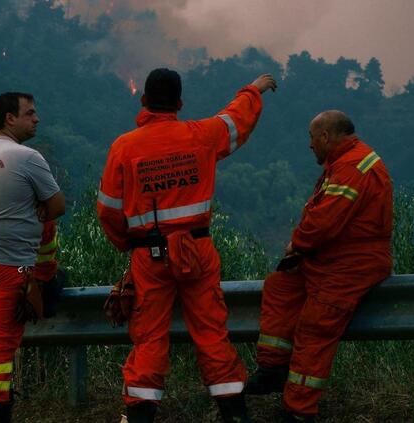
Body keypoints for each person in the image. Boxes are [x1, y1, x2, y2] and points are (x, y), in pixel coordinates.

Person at [97, 68, 277, 423]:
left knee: (148, 338)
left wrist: (128, 245)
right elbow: (236, 119)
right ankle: (234, 412)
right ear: (179, 103)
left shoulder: (124, 146)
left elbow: (108, 210)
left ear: (143, 100)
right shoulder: (202, 135)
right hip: (197, 251)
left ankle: (141, 415)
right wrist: (254, 89)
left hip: (148, 256)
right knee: (212, 333)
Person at [245, 110, 393, 422]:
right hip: (330, 259)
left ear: (325, 136)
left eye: (312, 138)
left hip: (352, 264)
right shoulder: (343, 163)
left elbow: (325, 222)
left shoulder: (353, 166)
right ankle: (273, 368)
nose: (310, 145)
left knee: (315, 326)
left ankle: (299, 410)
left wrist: (296, 244)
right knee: (280, 286)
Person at [0, 92, 65, 422]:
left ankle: (45, 280)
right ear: (10, 118)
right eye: (30, 113)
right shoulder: (26, 156)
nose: (36, 119)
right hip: (9, 265)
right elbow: (58, 206)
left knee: (44, 227)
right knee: (0, 338)